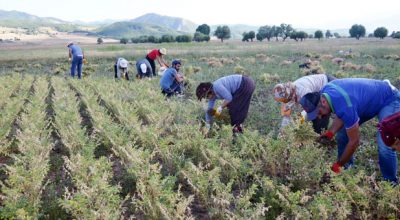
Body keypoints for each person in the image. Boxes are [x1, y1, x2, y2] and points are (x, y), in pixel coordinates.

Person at [299, 78, 400, 183]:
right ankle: (346, 170)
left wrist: (338, 165)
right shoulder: (325, 92)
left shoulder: (345, 105)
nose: (319, 117)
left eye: (319, 112)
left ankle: (390, 182)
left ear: (323, 102)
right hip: (365, 103)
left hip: (389, 99)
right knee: (342, 134)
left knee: (386, 141)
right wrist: (330, 133)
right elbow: (341, 113)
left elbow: (354, 142)